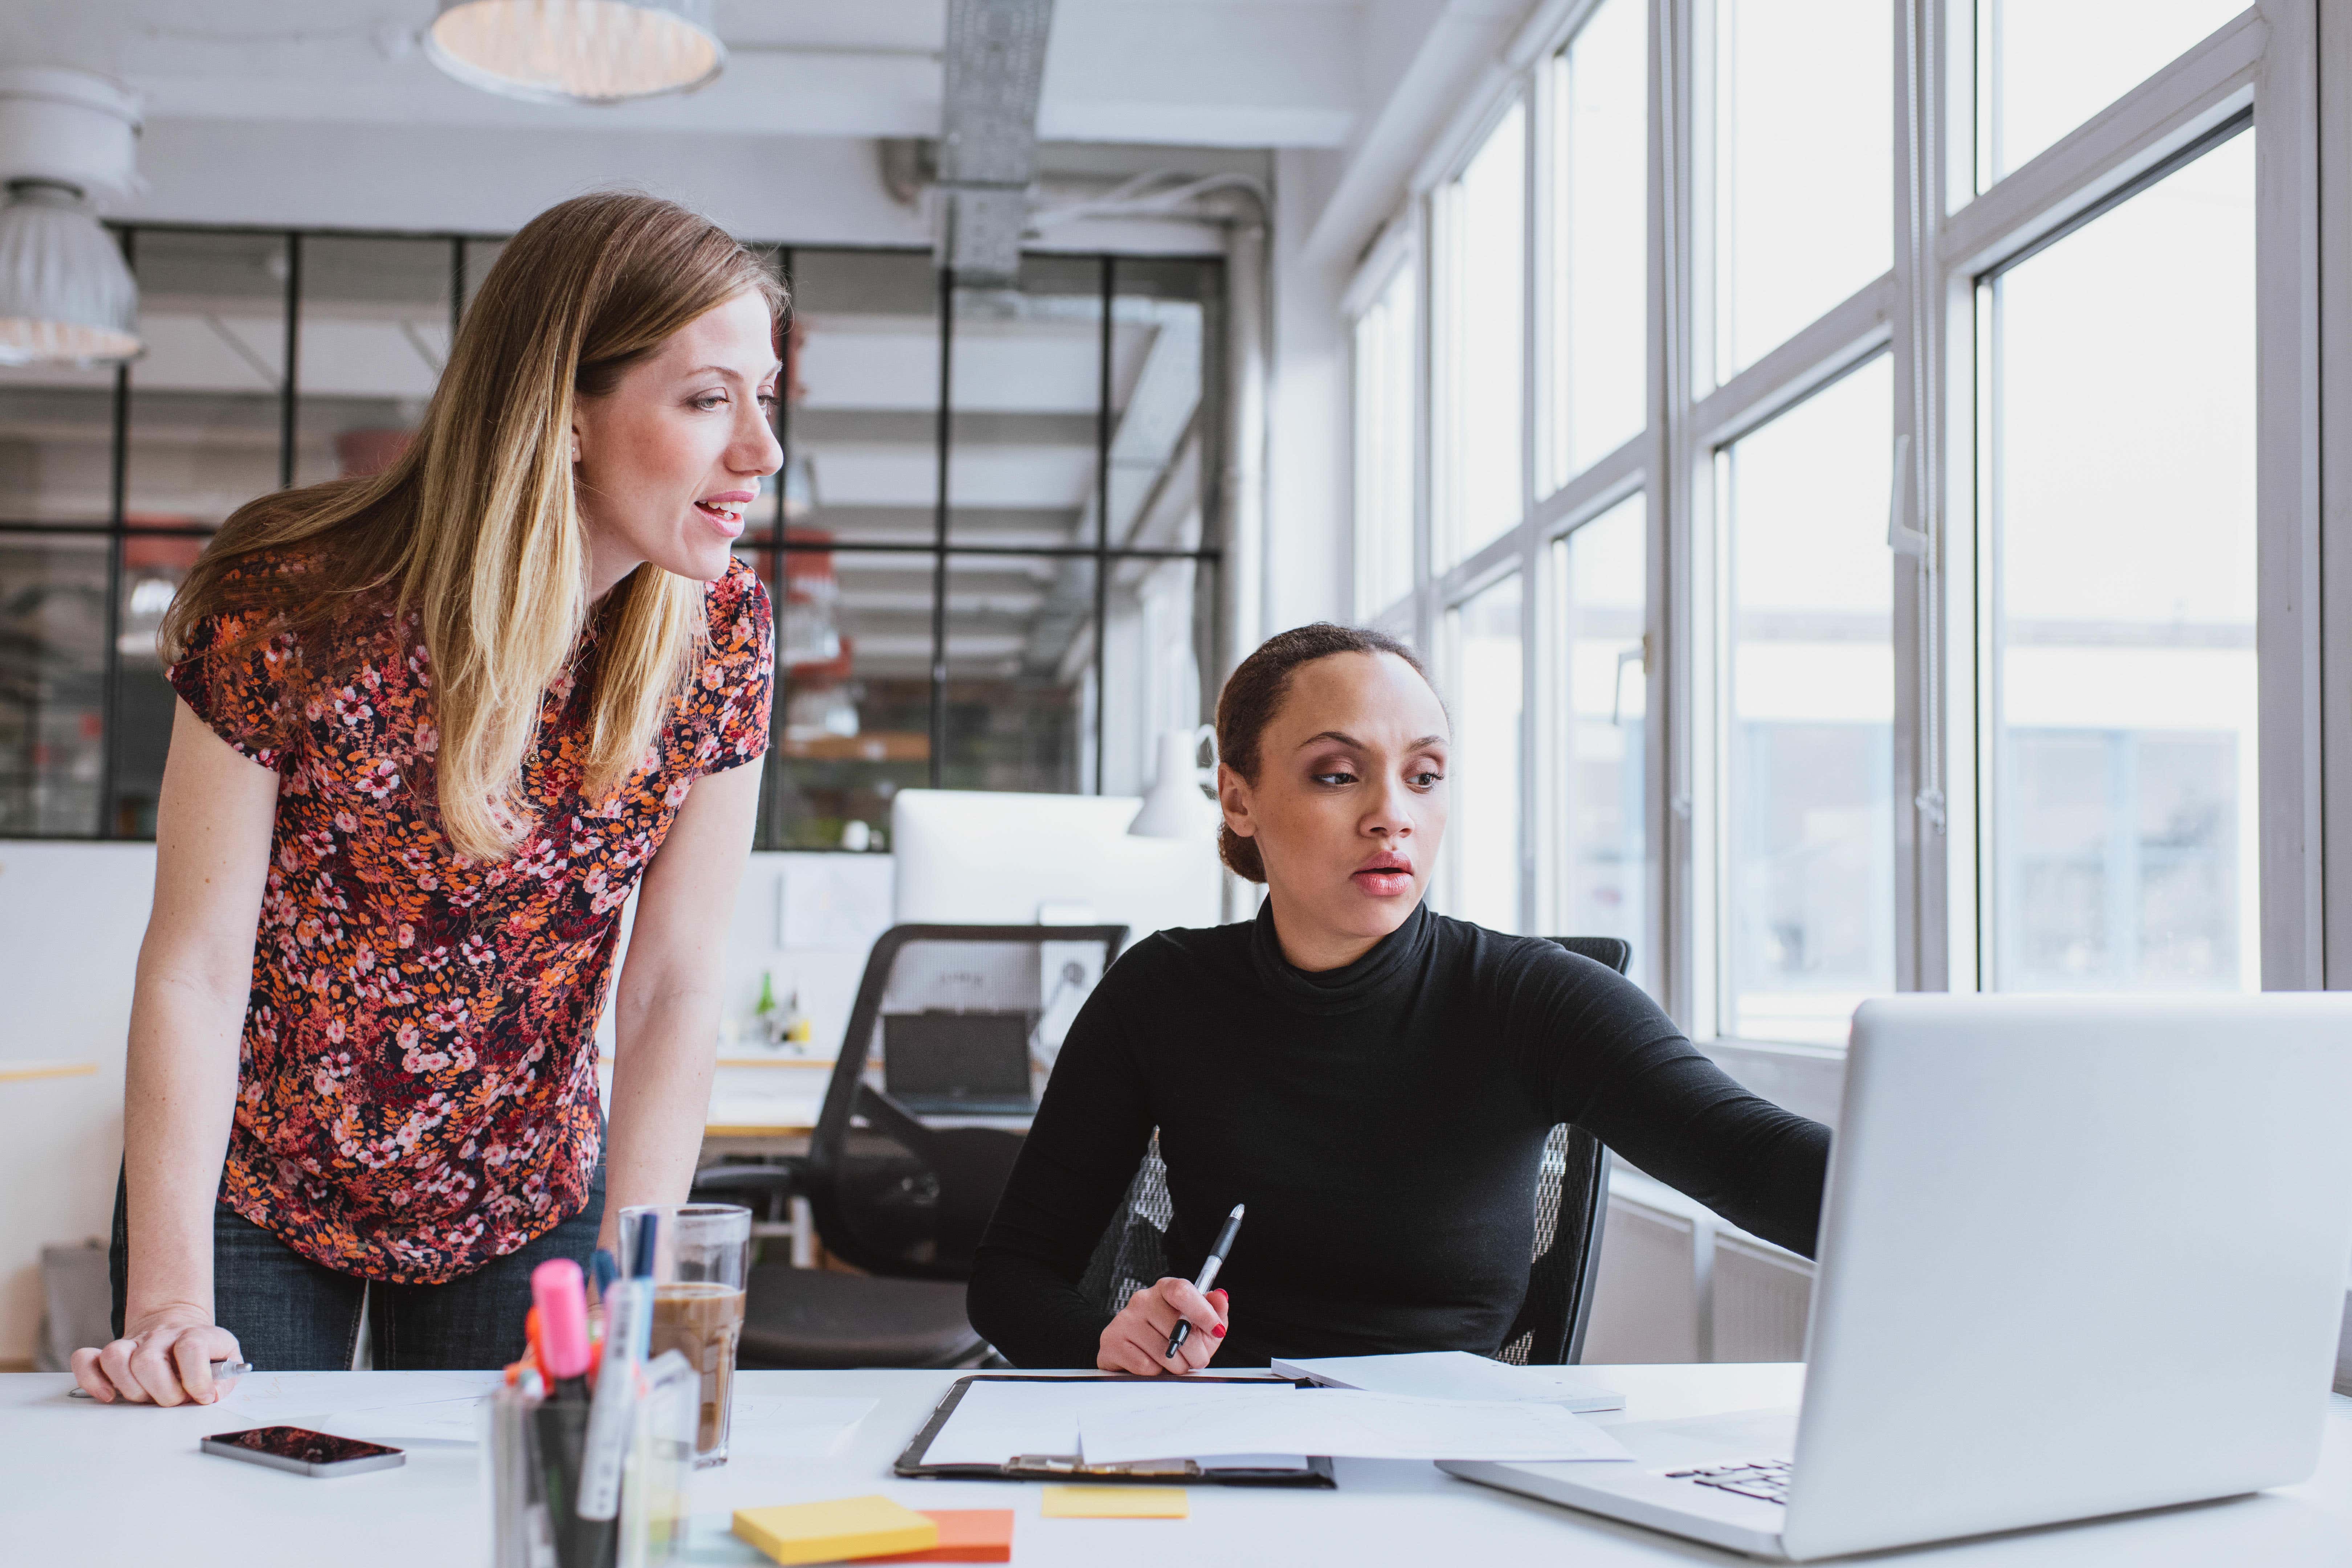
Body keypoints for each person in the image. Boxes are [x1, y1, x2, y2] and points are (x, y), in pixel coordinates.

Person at [71, 192, 782, 1404]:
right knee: (217, 1502)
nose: (760, 451)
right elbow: (196, 963)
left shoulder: (719, 639)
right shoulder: (288, 602)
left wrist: (636, 1270)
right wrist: (170, 1299)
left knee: (517, 1523)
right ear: (562, 413)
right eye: (709, 399)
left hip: (528, 1196)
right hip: (253, 1190)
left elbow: (671, 984)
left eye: (766, 398)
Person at [967, 623, 1830, 1373]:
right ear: (1239, 799)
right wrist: (1109, 1338)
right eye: (1339, 775)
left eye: (1424, 776)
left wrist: (1947, 1202)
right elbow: (1011, 1280)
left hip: (1450, 1469)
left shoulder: (1536, 1000)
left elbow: (1756, 1162)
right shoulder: (1161, 994)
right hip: (1218, 1444)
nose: (1393, 815)